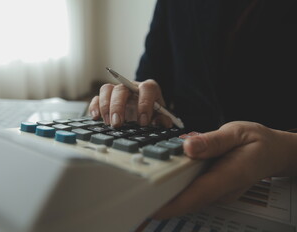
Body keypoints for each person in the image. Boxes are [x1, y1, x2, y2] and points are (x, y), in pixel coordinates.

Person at [88, 0, 297, 219]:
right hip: (183, 160)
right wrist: (138, 100)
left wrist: (287, 152)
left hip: (281, 185)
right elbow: (151, 77)